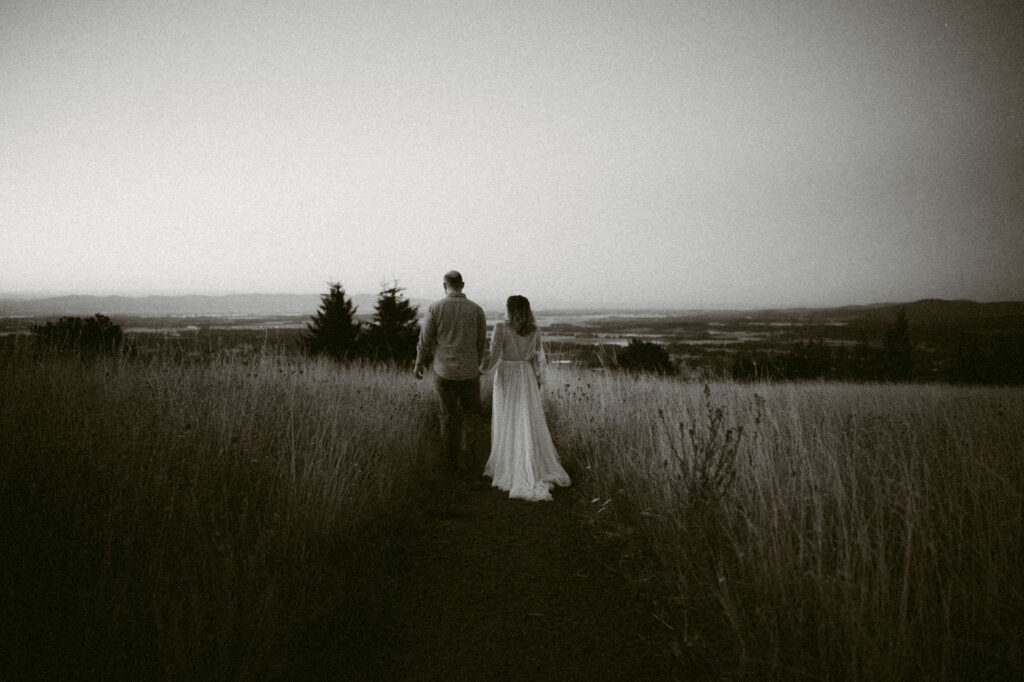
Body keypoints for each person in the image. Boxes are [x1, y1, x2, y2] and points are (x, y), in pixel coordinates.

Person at [480, 295, 570, 501]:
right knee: (526, 419)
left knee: (507, 419)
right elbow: (539, 360)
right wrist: (538, 382)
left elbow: (493, 356)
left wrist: (481, 369)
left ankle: (509, 465)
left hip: (506, 375)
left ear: (509, 309)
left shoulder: (501, 326)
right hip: (526, 376)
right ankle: (531, 462)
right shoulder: (534, 330)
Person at [414, 270, 488, 476]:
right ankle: (472, 461)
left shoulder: (435, 308)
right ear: (462, 285)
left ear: (444, 285)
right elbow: (481, 342)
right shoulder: (476, 310)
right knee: (472, 416)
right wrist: (477, 363)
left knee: (448, 417)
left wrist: (419, 363)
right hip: (469, 372)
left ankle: (450, 465)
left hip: (444, 371)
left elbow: (425, 341)